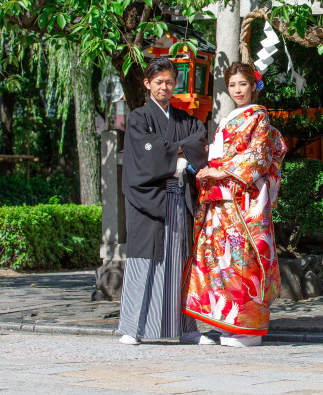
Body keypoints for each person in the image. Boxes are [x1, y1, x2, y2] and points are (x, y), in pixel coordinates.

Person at [182, 62, 286, 347]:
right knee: (223, 261)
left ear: (254, 86)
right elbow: (218, 154)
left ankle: (248, 329)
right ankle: (229, 324)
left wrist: (222, 171)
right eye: (232, 85)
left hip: (245, 199)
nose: (237, 90)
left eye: (242, 84)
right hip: (222, 200)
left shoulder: (259, 117)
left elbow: (259, 156)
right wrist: (205, 170)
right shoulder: (231, 117)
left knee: (244, 259)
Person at [118, 56, 214, 345]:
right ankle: (132, 328)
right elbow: (149, 154)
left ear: (175, 84)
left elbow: (200, 140)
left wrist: (176, 153)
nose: (164, 86)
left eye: (169, 82)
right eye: (158, 81)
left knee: (181, 264)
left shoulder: (185, 120)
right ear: (147, 84)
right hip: (149, 200)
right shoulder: (138, 118)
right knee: (145, 260)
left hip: (179, 199)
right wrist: (181, 156)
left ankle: (186, 329)